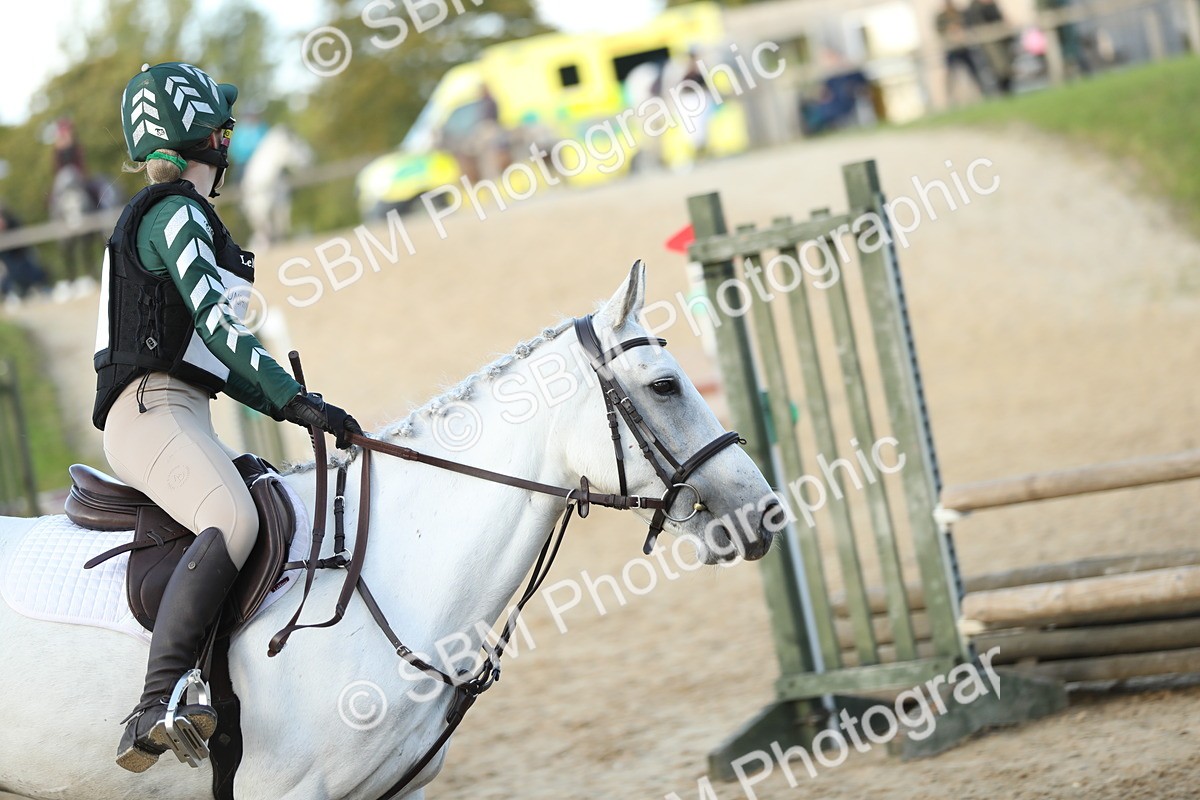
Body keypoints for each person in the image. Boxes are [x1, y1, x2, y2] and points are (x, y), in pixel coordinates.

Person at [96, 62, 362, 773]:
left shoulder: (196, 220)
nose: (230, 140)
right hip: (150, 411)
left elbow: (221, 364)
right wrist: (294, 398)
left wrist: (300, 406)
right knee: (235, 519)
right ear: (199, 136)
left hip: (182, 409)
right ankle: (153, 704)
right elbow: (223, 331)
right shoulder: (177, 210)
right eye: (222, 127)